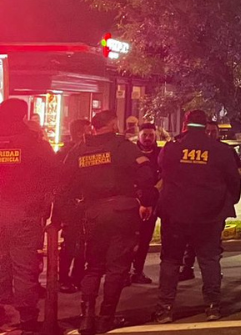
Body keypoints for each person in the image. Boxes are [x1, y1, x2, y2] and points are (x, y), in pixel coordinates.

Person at [61, 110, 157, 335]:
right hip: (122, 211)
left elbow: (65, 183)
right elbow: (146, 175)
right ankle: (106, 318)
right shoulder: (122, 146)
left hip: (92, 213)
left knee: (93, 267)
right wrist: (147, 201)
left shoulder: (80, 149)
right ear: (113, 124)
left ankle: (86, 318)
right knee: (116, 268)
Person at [153, 110, 241, 324]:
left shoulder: (172, 149)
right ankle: (212, 306)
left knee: (171, 261)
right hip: (208, 215)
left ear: (186, 123)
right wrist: (227, 202)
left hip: (175, 215)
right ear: (206, 125)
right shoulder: (221, 150)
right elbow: (234, 181)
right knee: (209, 260)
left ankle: (165, 308)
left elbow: (163, 171)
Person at [0, 99, 59, 332]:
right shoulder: (33, 143)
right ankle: (27, 318)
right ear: (24, 116)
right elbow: (55, 173)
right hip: (24, 211)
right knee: (24, 266)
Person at [55, 118, 91, 295]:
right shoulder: (65, 153)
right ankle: (63, 278)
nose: (92, 133)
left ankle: (78, 277)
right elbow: (62, 183)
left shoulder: (90, 151)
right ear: (79, 133)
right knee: (70, 244)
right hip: (70, 204)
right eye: (88, 130)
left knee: (84, 244)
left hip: (86, 204)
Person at [129, 123, 162, 285]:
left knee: (144, 239)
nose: (148, 138)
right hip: (132, 202)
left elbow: (165, 175)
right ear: (139, 135)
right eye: (145, 135)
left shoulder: (160, 154)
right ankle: (124, 272)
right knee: (128, 239)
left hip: (152, 203)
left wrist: (154, 192)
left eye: (151, 135)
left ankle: (138, 271)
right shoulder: (130, 152)